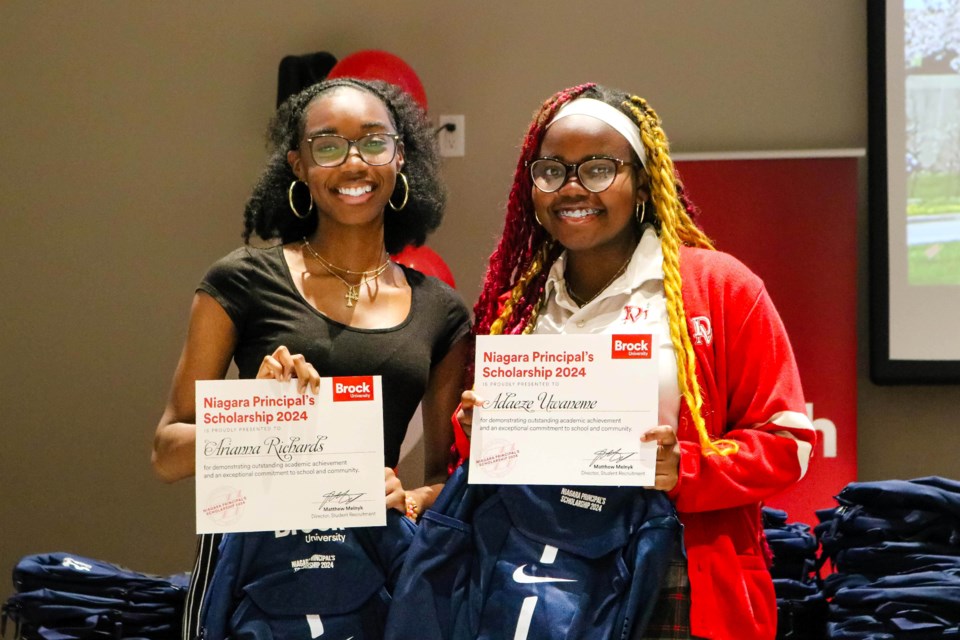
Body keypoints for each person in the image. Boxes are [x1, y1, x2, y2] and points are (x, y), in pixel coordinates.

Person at [455, 83, 817, 640]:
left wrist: (685, 470)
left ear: (643, 181)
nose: (572, 188)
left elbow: (788, 445)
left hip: (676, 575)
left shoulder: (720, 288)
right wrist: (476, 432)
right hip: (536, 573)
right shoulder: (515, 310)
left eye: (599, 169)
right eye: (551, 170)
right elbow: (491, 465)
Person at [151, 77, 471, 639]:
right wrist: (261, 415)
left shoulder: (441, 310)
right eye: (328, 146)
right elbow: (167, 453)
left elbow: (445, 478)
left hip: (376, 571)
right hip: (255, 571)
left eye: (374, 143)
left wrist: (413, 497)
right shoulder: (242, 281)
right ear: (298, 165)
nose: (354, 164)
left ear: (401, 156)